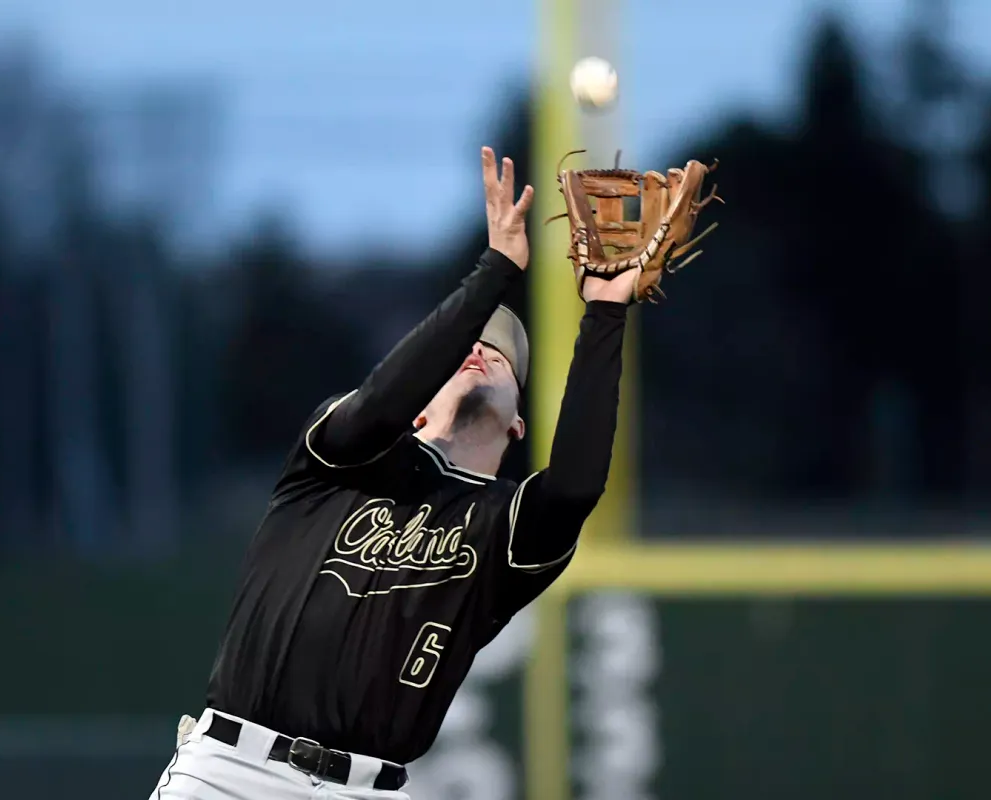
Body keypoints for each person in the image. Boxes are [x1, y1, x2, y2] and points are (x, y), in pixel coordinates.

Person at [149, 146, 635, 799]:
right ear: (418, 403)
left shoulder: (504, 528)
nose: (481, 353)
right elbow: (381, 400)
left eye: (500, 355)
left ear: (519, 422)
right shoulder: (335, 462)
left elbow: (576, 485)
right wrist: (495, 272)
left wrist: (605, 310)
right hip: (233, 772)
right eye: (467, 346)